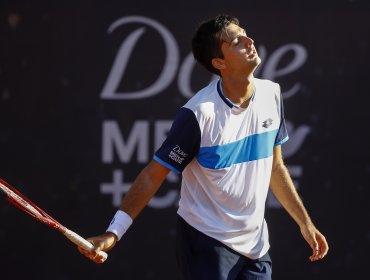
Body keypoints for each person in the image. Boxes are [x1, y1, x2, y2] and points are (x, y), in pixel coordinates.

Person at [79, 14, 329, 280]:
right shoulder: (199, 114)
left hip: (256, 246)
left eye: (245, 33)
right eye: (236, 41)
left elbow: (275, 167)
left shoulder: (272, 94)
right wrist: (113, 232)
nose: (249, 41)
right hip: (206, 242)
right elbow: (153, 174)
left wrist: (305, 222)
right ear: (219, 62)